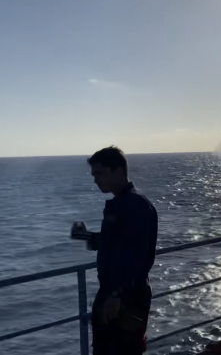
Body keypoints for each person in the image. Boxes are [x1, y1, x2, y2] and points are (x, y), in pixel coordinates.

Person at [70, 146, 159, 355]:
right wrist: (88, 238)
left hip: (125, 298)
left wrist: (117, 294)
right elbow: (119, 243)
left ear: (118, 171)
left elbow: (137, 254)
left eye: (99, 174)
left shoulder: (133, 205)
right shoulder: (126, 203)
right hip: (117, 294)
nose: (95, 180)